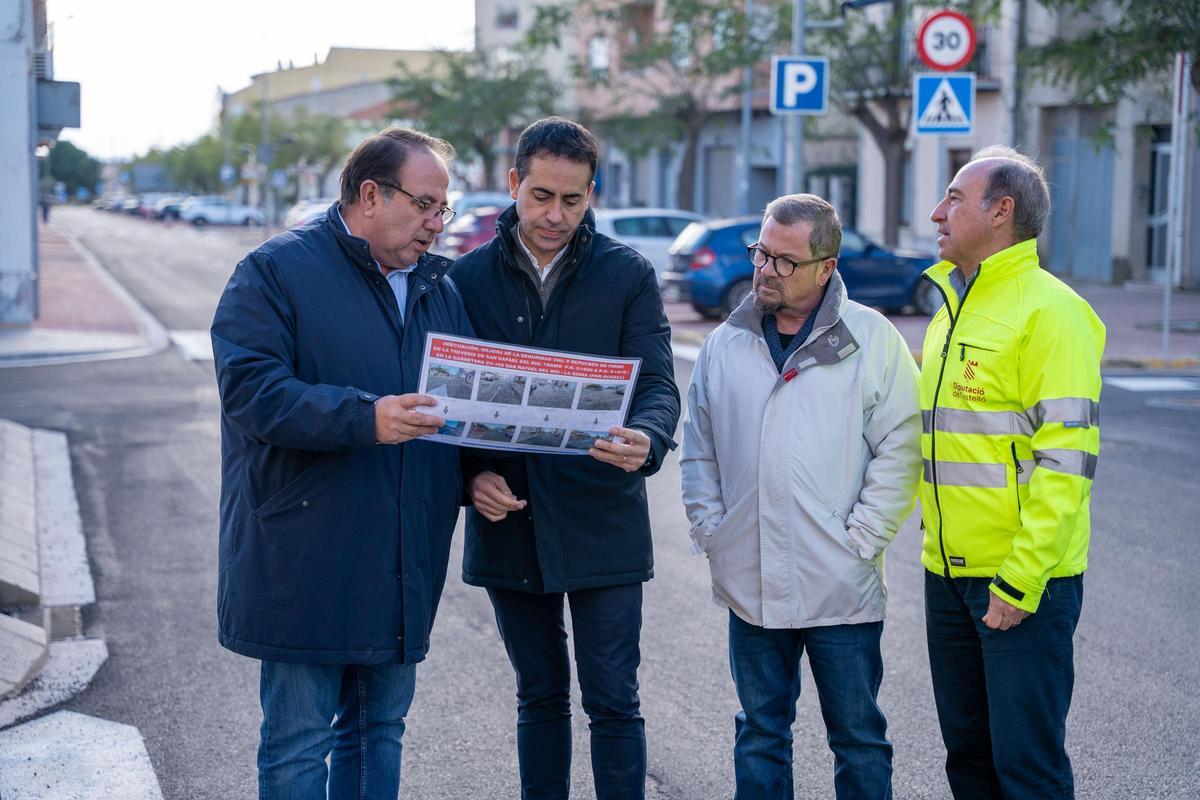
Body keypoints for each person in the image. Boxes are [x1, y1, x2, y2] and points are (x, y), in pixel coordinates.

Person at [210, 127, 473, 800]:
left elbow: (459, 408)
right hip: (308, 551)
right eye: (424, 205)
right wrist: (366, 418)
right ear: (369, 194)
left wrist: (479, 476)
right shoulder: (275, 271)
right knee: (299, 741)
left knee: (379, 729)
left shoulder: (438, 289)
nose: (436, 224)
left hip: (401, 554)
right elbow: (252, 392)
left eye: (444, 208)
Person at [449, 117, 680, 800]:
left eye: (573, 200)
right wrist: (470, 476)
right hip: (509, 521)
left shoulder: (628, 274)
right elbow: (444, 401)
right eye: (541, 196)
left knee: (613, 699)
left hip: (602, 513)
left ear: (592, 194)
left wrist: (649, 437)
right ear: (513, 183)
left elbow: (659, 384)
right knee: (540, 694)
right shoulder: (464, 280)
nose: (555, 215)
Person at [680, 193, 921, 800]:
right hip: (751, 581)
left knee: (858, 737)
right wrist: (714, 530)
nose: (766, 270)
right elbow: (698, 447)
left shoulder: (872, 339)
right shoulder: (725, 344)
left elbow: (901, 447)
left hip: (840, 584)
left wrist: (861, 540)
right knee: (760, 732)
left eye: (786, 261)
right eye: (762, 253)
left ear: (827, 266)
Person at [919, 145, 1105, 799]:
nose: (937, 213)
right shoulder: (951, 311)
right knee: (968, 761)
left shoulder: (1052, 313)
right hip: (948, 576)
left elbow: (1066, 462)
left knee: (1026, 769)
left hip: (1019, 585)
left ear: (1001, 212)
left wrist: (1020, 581)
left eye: (954, 199)